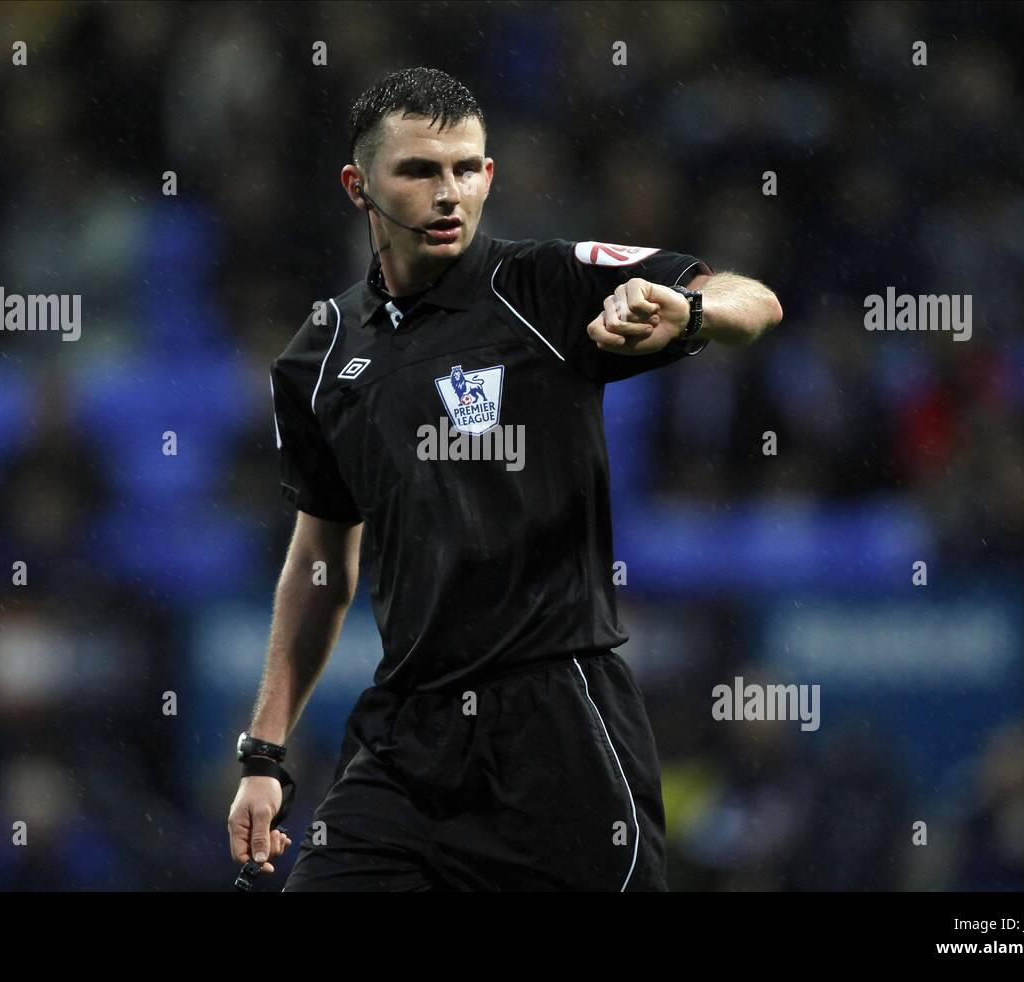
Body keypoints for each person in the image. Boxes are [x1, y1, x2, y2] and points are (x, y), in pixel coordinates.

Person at [227, 66, 782, 891]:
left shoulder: (545, 286)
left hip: (557, 721)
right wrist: (265, 755)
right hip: (405, 738)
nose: (448, 192)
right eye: (418, 171)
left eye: (466, 169)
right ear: (359, 185)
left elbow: (754, 299)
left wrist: (692, 313)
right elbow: (320, 564)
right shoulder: (317, 358)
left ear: (489, 175)